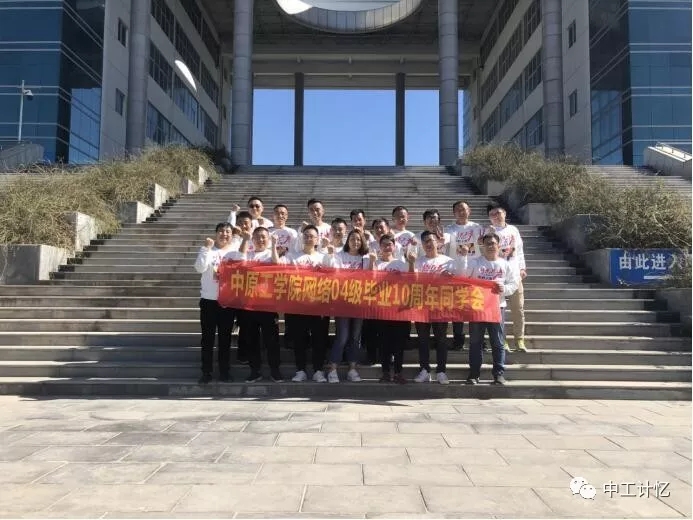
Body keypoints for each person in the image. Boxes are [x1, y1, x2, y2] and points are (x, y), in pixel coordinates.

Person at [457, 233, 519, 385]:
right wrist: (463, 257)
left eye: (493, 243)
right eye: (488, 244)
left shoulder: (505, 264)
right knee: (475, 342)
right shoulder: (475, 262)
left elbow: (513, 284)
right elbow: (463, 276)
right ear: (483, 246)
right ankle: (474, 374)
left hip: (497, 307)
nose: (491, 246)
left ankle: (498, 374)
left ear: (498, 245)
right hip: (477, 308)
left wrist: (503, 289)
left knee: (497, 342)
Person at [193, 222, 249, 384]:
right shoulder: (208, 250)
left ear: (232, 235)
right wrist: (206, 248)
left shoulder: (233, 252)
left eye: (228, 232)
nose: (224, 234)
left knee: (225, 339)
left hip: (227, 301)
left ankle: (224, 372)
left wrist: (245, 239)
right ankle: (206, 372)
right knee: (207, 338)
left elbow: (242, 262)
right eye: (221, 231)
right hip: (209, 301)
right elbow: (199, 268)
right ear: (216, 233)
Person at [273, 225, 329, 383]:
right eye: (306, 236)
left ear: (317, 239)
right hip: (297, 305)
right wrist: (273, 246)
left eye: (312, 236)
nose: (309, 238)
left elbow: (334, 277)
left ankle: (318, 370)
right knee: (299, 340)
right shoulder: (292, 256)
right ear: (302, 238)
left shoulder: (323, 257)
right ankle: (300, 370)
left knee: (319, 340)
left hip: (319, 305)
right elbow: (276, 265)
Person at [411, 230, 456, 385]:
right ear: (422, 245)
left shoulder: (448, 261)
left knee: (441, 339)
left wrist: (450, 277)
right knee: (422, 339)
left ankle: (441, 371)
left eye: (431, 240)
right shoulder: (418, 262)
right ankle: (424, 370)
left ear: (438, 242)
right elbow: (412, 281)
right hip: (422, 306)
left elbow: (458, 281)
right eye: (425, 242)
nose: (429, 244)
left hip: (441, 305)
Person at [324, 229, 369, 383]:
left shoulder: (366, 258)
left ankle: (352, 369)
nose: (355, 242)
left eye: (358, 239)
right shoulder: (340, 255)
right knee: (342, 336)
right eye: (352, 239)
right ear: (347, 241)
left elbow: (370, 277)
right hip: (342, 302)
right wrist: (330, 254)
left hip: (359, 302)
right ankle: (332, 369)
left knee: (355, 337)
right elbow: (334, 273)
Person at [370, 233, 414, 384]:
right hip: (381, 309)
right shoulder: (376, 263)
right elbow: (369, 281)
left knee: (399, 343)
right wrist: (372, 262)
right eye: (384, 244)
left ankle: (398, 372)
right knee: (384, 343)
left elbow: (412, 280)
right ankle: (385, 372)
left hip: (399, 309)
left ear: (395, 247)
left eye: (390, 244)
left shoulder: (401, 264)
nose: (387, 247)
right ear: (379, 247)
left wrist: (411, 263)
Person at [242, 228, 283, 383]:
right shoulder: (248, 255)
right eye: (257, 237)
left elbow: (276, 264)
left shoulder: (270, 254)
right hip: (249, 304)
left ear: (268, 238)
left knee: (272, 340)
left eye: (263, 237)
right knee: (251, 339)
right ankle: (255, 370)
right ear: (253, 239)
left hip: (268, 304)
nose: (260, 240)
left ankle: (275, 370)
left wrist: (273, 245)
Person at [487, 203, 527, 352]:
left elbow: (520, 250)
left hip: (514, 274)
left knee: (518, 308)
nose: (496, 216)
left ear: (504, 213)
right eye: (492, 214)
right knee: (498, 310)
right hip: (497, 275)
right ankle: (501, 340)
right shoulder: (488, 232)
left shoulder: (513, 230)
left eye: (498, 213)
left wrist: (522, 267)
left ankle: (519, 339)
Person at [445, 201, 483, 351]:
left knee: (476, 306)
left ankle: (479, 339)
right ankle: (458, 339)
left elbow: (484, 242)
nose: (461, 212)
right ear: (454, 213)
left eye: (464, 209)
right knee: (458, 306)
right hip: (457, 270)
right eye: (458, 210)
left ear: (469, 211)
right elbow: (444, 239)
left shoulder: (477, 227)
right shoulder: (449, 229)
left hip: (475, 271)